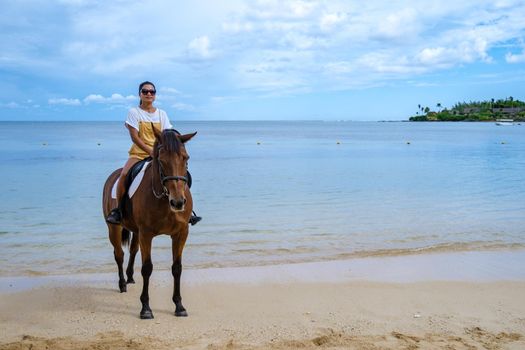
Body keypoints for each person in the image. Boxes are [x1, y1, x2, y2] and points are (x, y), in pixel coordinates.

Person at [106, 81, 201, 226]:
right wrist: (150, 151)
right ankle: (119, 211)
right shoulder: (134, 112)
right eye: (145, 91)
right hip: (138, 154)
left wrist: (171, 150)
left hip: (160, 154)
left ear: (155, 95)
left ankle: (188, 212)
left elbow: (169, 134)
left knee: (184, 175)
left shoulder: (161, 114)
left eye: (152, 92)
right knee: (124, 176)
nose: (149, 94)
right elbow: (135, 137)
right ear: (140, 94)